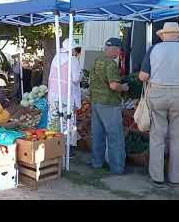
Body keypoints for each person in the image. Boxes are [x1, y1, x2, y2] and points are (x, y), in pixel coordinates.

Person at [139, 22, 179, 187]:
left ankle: (157, 176)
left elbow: (143, 76)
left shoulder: (154, 49)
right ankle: (176, 177)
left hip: (157, 94)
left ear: (161, 36)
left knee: (157, 136)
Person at [89, 38, 129, 174]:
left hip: (96, 102)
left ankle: (97, 163)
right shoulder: (111, 64)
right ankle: (117, 168)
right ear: (114, 49)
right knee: (115, 137)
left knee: (97, 134)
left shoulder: (97, 60)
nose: (119, 53)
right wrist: (123, 87)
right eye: (119, 50)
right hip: (109, 104)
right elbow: (114, 85)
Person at [47, 39, 83, 157]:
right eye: (75, 49)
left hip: (53, 94)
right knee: (68, 122)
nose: (76, 52)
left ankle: (52, 146)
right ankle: (67, 149)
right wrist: (81, 75)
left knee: (54, 121)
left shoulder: (56, 57)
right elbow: (76, 78)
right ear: (71, 49)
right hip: (66, 96)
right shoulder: (73, 60)